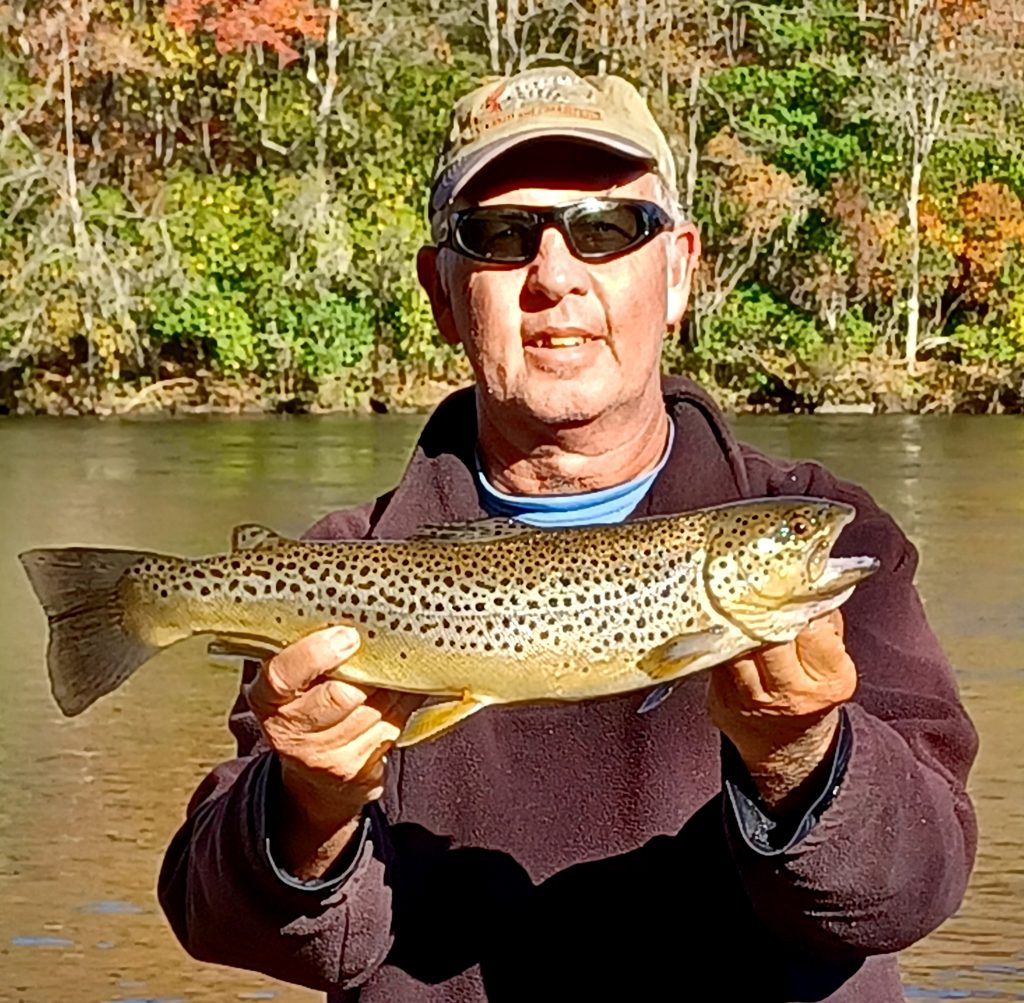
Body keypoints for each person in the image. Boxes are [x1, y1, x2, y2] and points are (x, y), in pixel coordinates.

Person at [158, 67, 978, 1002]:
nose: (555, 276)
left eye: (606, 229)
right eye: (502, 236)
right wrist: (311, 806)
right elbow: (216, 915)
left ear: (677, 272)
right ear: (440, 289)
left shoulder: (838, 533)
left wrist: (802, 755)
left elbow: (917, 884)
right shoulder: (343, 568)